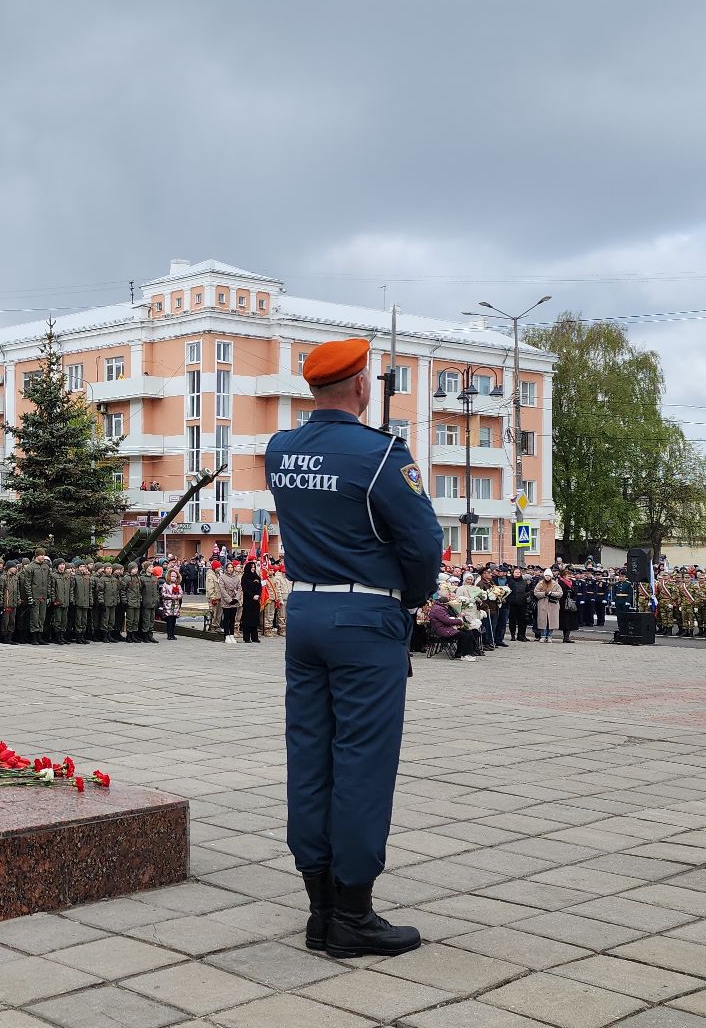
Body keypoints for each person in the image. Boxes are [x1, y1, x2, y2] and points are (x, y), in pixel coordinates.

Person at [266, 337, 439, 959]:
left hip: (304, 609)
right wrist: (412, 600)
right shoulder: (381, 453)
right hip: (365, 616)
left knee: (310, 756)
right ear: (362, 386)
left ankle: (318, 910)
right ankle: (353, 915)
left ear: (314, 389)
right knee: (362, 762)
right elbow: (423, 543)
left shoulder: (280, 448)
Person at [240, 560, 263, 643]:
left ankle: (254, 637)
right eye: (251, 567)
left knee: (255, 619)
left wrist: (258, 595)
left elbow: (260, 587)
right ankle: (246, 637)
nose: (253, 569)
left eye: (254, 567)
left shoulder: (257, 577)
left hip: (256, 601)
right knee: (247, 619)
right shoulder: (245, 577)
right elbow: (245, 589)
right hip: (248, 600)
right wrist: (252, 595)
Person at [159, 565, 183, 640]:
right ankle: (169, 634)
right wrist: (170, 596)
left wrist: (176, 597)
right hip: (168, 605)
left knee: (174, 620)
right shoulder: (165, 585)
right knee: (169, 620)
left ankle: (173, 633)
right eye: (172, 576)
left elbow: (181, 594)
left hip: (175, 605)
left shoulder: (178, 585)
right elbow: (163, 594)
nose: (173, 578)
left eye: (175, 577)